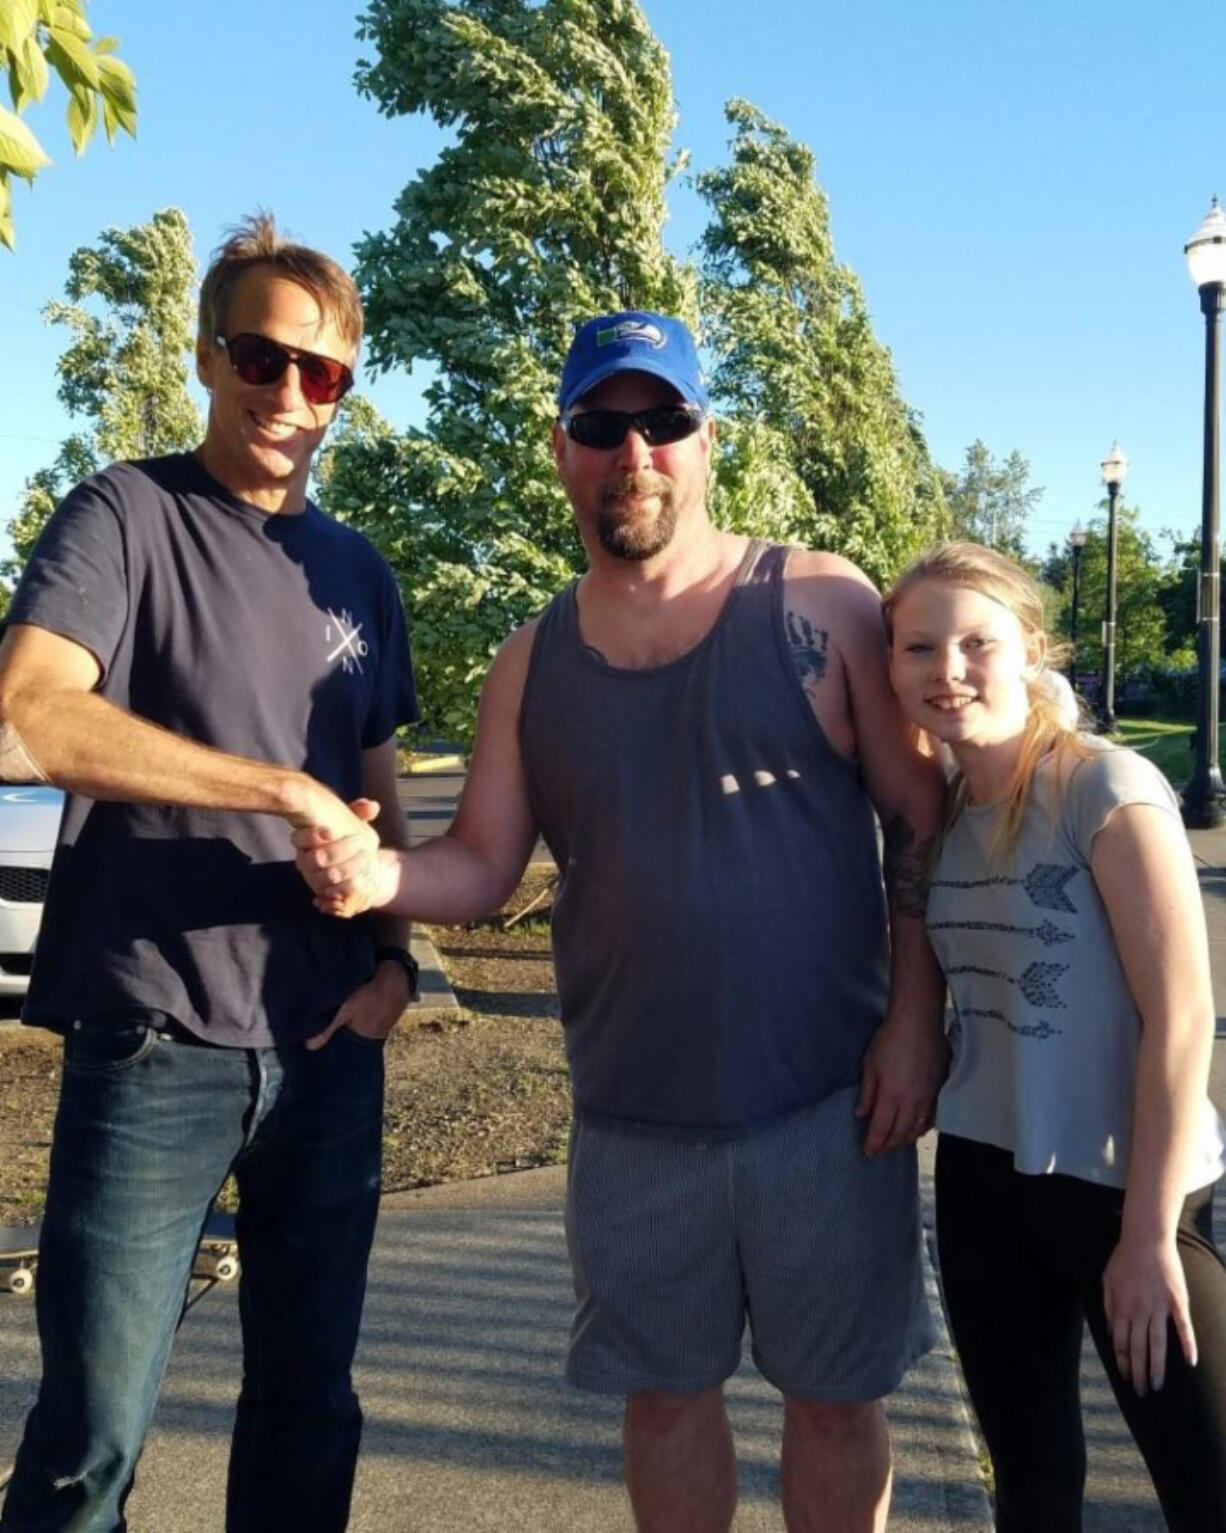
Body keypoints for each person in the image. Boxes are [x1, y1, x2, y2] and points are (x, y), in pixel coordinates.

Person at [294, 310, 948, 1532]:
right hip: (633, 1117)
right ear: (561, 450)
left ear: (706, 442)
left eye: (663, 423)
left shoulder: (819, 600)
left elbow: (919, 823)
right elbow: (483, 865)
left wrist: (914, 1027)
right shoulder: (528, 660)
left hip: (828, 1102)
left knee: (833, 1402)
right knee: (663, 1401)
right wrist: (375, 879)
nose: (633, 453)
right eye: (603, 426)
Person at [0, 214, 417, 1533]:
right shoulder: (124, 514)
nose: (289, 393)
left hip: (329, 1042)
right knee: (91, 1437)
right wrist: (275, 786)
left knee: (310, 1408)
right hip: (156, 1034)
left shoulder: (358, 570)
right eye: (261, 354)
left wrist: (401, 963)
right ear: (207, 352)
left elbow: (384, 785)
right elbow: (32, 713)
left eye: (325, 373)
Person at [884, 541, 1226, 1532]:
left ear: (1028, 649)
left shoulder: (1101, 790)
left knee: (1206, 1492)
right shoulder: (938, 816)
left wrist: (1147, 1233)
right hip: (985, 1184)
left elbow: (1181, 1015)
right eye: (917, 648)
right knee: (1031, 1486)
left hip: (1130, 1183)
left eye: (973, 642)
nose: (945, 671)